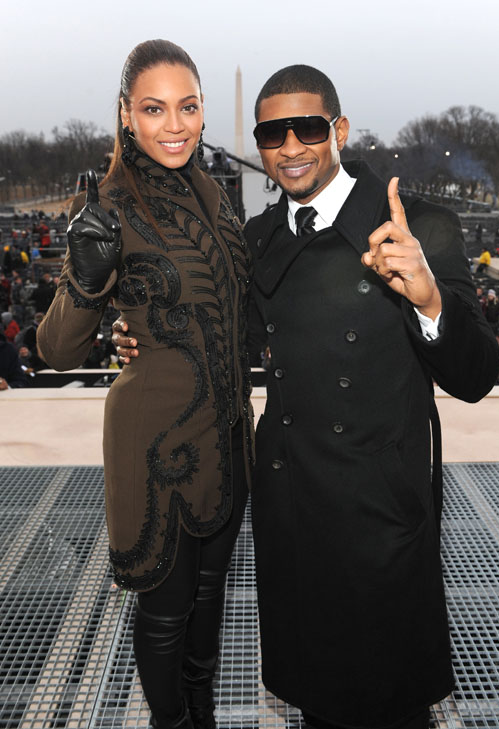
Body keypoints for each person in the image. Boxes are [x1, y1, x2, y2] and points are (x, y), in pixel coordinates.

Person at [115, 65, 499, 729]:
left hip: (380, 516)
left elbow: (477, 375)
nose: (291, 145)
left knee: (391, 706)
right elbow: (228, 343)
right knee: (317, 704)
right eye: (272, 132)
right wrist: (143, 332)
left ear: (339, 131)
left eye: (309, 127)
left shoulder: (420, 228)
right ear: (260, 145)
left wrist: (430, 297)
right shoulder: (256, 241)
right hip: (293, 513)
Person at [37, 39, 253, 729]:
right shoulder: (106, 203)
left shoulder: (215, 193)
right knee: (166, 614)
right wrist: (88, 279)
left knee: (210, 602)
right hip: (156, 446)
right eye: (155, 109)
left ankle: (203, 715)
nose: (175, 125)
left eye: (188, 107)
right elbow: (56, 348)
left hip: (226, 436)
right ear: (127, 115)